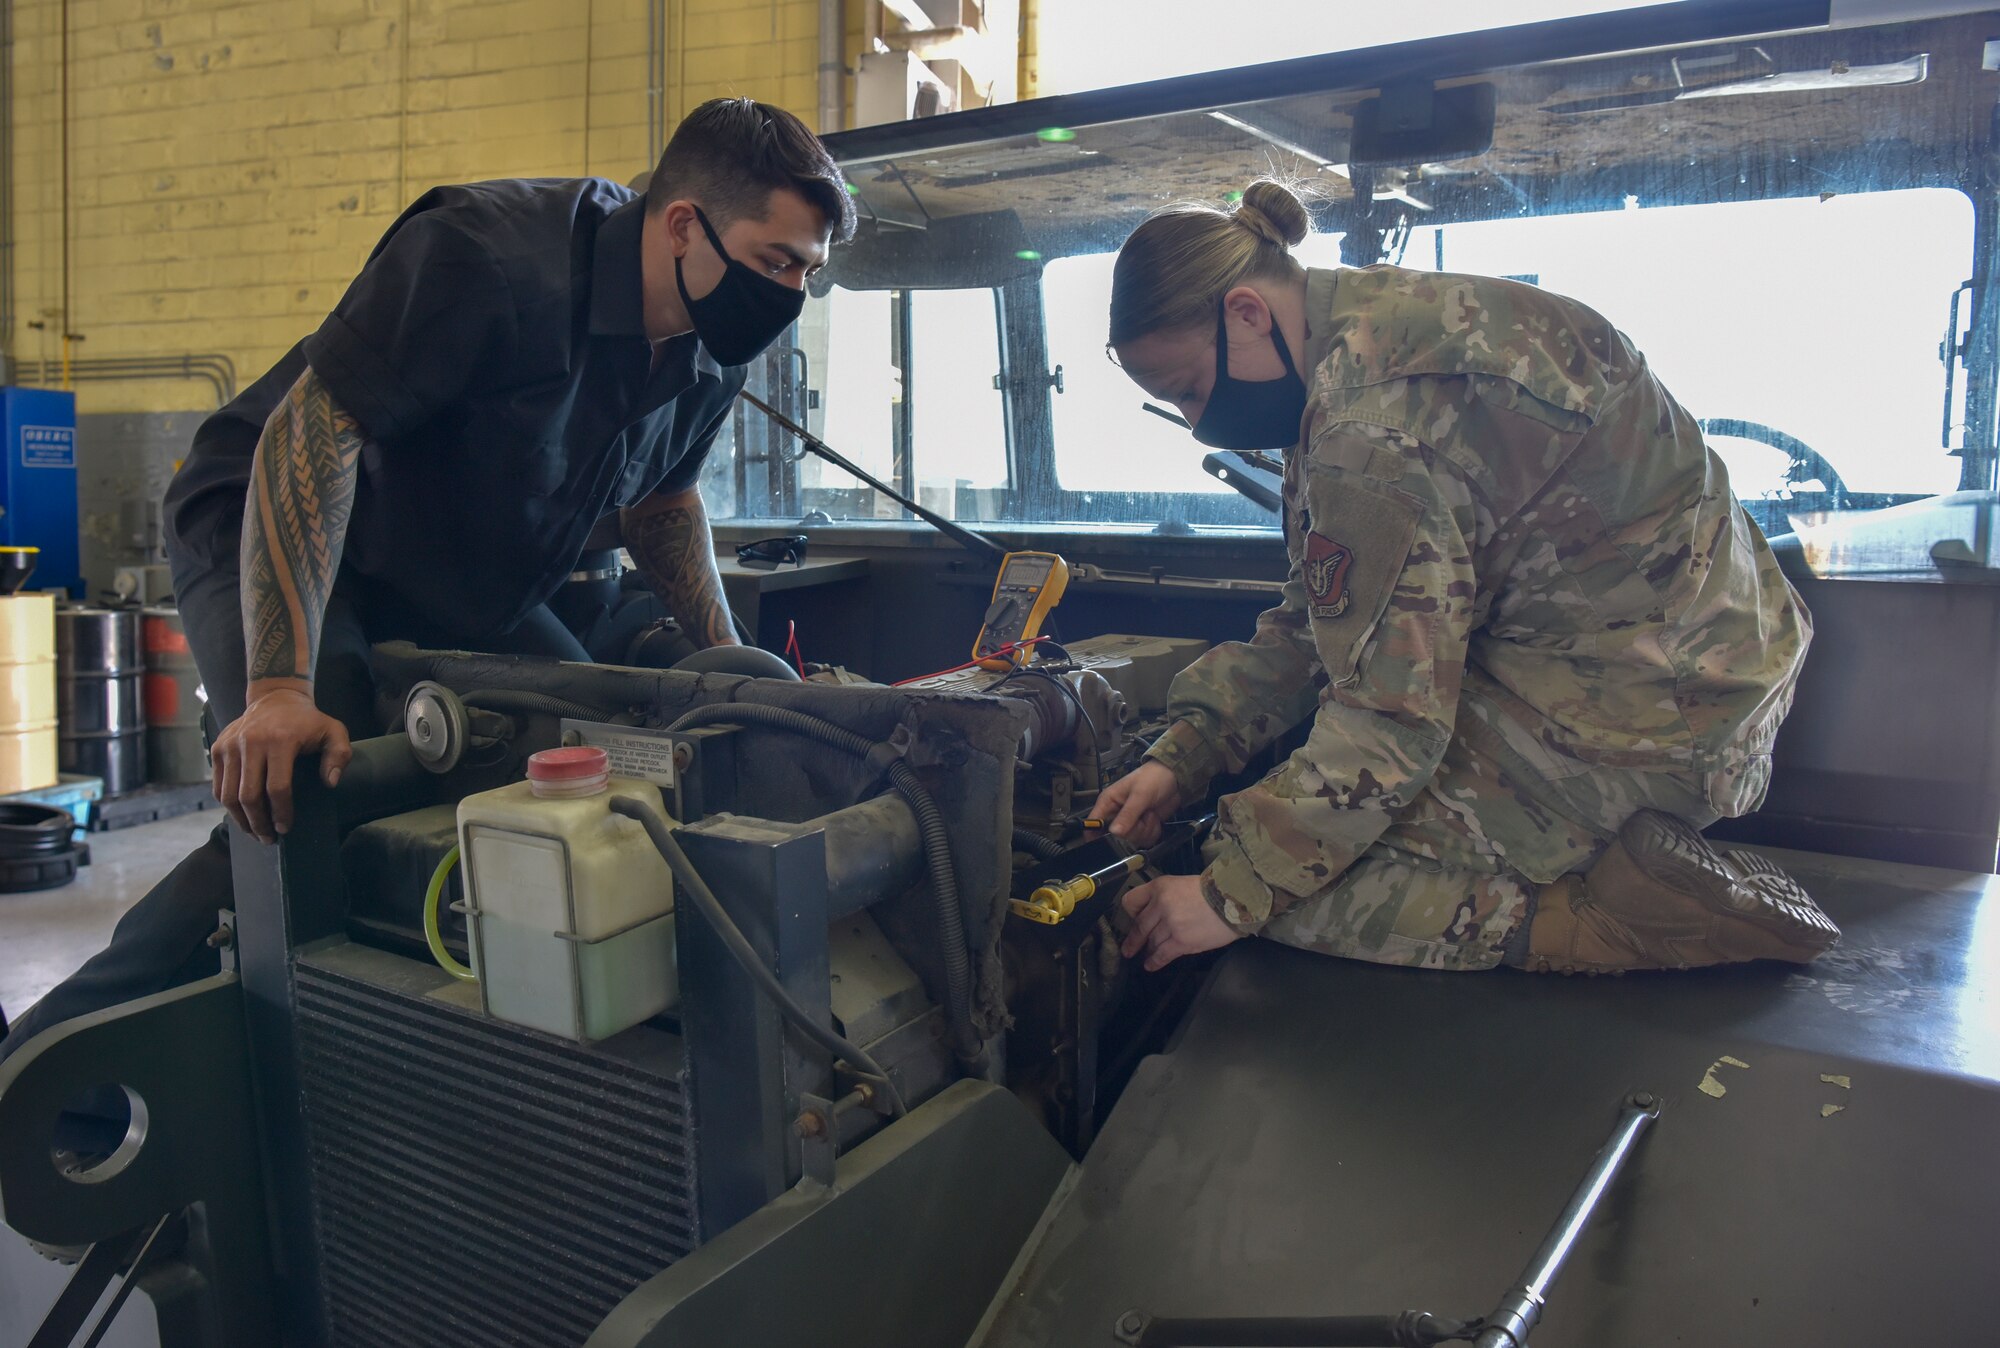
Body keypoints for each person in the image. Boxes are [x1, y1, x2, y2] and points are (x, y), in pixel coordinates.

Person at [0, 97, 853, 1063]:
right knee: (303, 793)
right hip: (280, 519)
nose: (788, 294)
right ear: (684, 225)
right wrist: (278, 691)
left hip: (458, 569)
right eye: (775, 260)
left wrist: (720, 665)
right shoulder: (490, 258)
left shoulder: (710, 344)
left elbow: (662, 506)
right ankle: (40, 1069)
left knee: (574, 752)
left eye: (808, 275)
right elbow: (310, 436)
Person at [1098, 178, 1840, 977]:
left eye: (1188, 391)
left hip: (1656, 719)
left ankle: (1614, 918)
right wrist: (1189, 751)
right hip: (1691, 658)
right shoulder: (1367, 330)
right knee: (1286, 825)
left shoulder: (1371, 428)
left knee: (1303, 886)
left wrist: (1223, 898)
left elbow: (1391, 720)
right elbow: (1325, 610)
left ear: (1245, 314)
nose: (1196, 422)